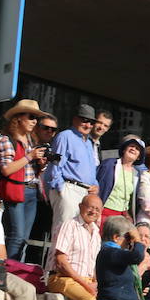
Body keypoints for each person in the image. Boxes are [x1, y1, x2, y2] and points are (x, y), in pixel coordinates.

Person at [0, 99, 50, 261]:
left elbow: (30, 169)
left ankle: (16, 269)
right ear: (18, 118)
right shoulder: (5, 140)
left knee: (23, 238)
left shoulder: (32, 141)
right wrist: (30, 156)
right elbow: (6, 169)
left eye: (36, 118)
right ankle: (10, 271)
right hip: (16, 191)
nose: (34, 122)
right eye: (31, 117)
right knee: (16, 236)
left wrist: (41, 164)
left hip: (32, 191)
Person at [43, 104, 99, 247]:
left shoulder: (89, 142)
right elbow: (55, 164)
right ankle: (54, 269)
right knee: (62, 234)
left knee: (78, 238)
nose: (88, 124)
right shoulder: (65, 136)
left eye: (91, 122)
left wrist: (95, 185)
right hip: (68, 188)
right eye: (84, 120)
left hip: (85, 192)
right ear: (75, 119)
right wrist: (60, 189)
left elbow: (90, 169)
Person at [97, 135, 144, 219]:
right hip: (103, 212)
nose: (133, 149)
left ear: (139, 157)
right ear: (124, 149)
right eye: (131, 146)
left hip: (123, 216)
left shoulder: (137, 174)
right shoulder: (109, 164)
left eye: (137, 148)